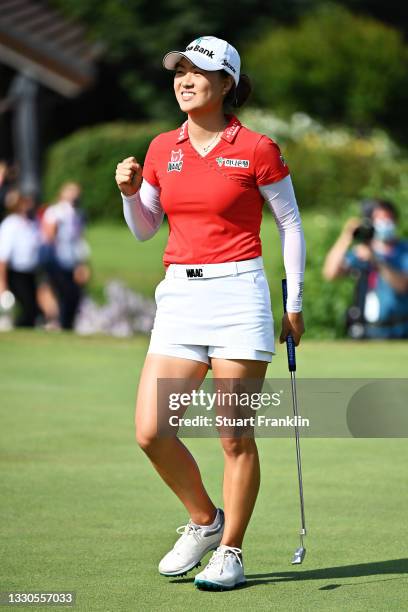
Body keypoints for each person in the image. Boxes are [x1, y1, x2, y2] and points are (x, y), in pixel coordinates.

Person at [115, 36, 306, 591]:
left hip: (240, 296)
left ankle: (231, 550)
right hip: (180, 296)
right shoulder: (159, 149)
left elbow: (289, 224)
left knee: (233, 435)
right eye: (179, 71)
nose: (185, 79)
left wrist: (293, 302)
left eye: (198, 71)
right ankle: (205, 520)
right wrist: (130, 194)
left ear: (226, 84)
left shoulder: (257, 148)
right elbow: (147, 229)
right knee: (152, 430)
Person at [323, 199, 408, 338]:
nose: (384, 224)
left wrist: (376, 261)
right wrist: (347, 236)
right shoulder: (362, 252)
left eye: (388, 219)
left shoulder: (404, 250)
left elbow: (402, 285)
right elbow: (330, 273)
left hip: (401, 330)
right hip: (369, 332)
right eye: (379, 219)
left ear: (395, 221)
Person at [41, 182, 91, 330]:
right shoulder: (55, 211)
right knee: (61, 293)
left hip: (72, 260)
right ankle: (57, 322)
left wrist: (81, 263)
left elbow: (79, 239)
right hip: (57, 260)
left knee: (73, 296)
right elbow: (49, 236)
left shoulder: (79, 213)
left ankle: (67, 325)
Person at [0, 189, 41, 327]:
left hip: (30, 272)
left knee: (33, 309)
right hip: (16, 273)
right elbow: (3, 257)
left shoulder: (32, 223)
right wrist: (2, 284)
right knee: (27, 309)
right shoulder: (10, 224)